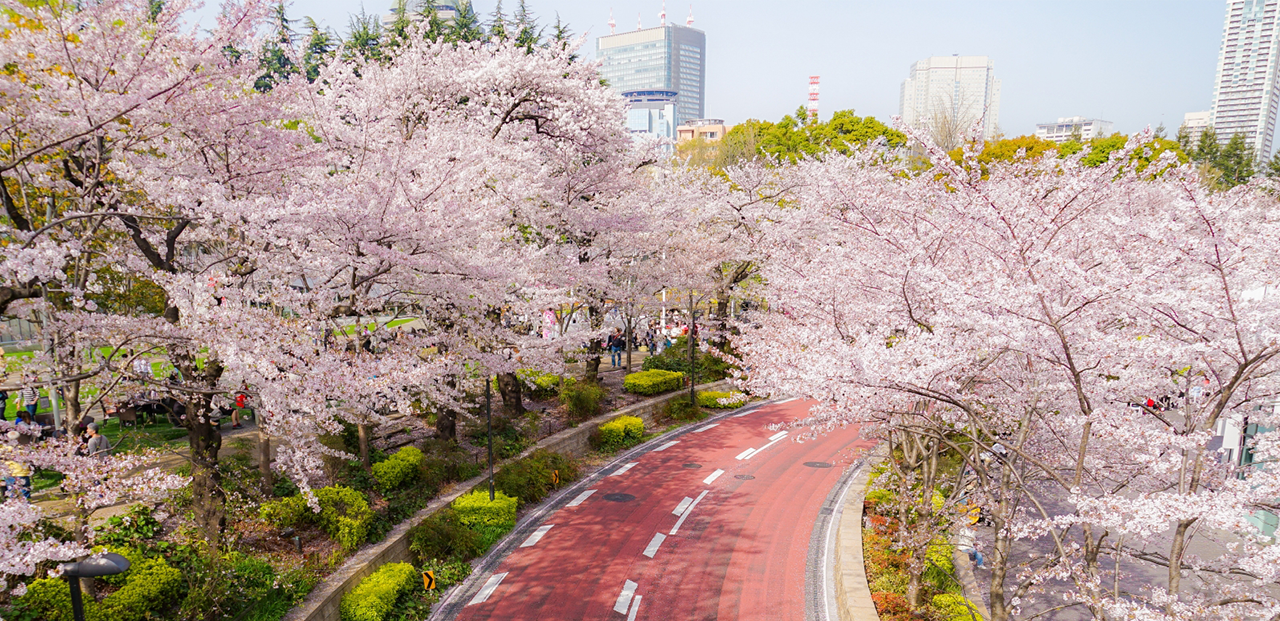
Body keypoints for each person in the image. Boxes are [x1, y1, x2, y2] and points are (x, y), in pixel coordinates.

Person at [3, 431, 32, 500]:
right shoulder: (23, 449)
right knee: (25, 490)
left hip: (9, 473)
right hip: (22, 472)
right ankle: (27, 504)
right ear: (19, 439)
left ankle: (14, 504)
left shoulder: (3, 450)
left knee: (11, 491)